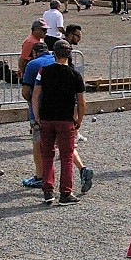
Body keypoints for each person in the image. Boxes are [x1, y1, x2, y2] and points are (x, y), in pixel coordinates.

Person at [31, 40, 86, 206]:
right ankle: (65, 193)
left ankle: (48, 191)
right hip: (65, 119)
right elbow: (81, 102)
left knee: (47, 155)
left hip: (47, 118)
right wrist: (79, 120)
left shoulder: (44, 71)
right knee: (66, 157)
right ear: (69, 54)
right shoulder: (75, 74)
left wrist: (37, 116)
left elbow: (35, 95)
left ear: (54, 53)